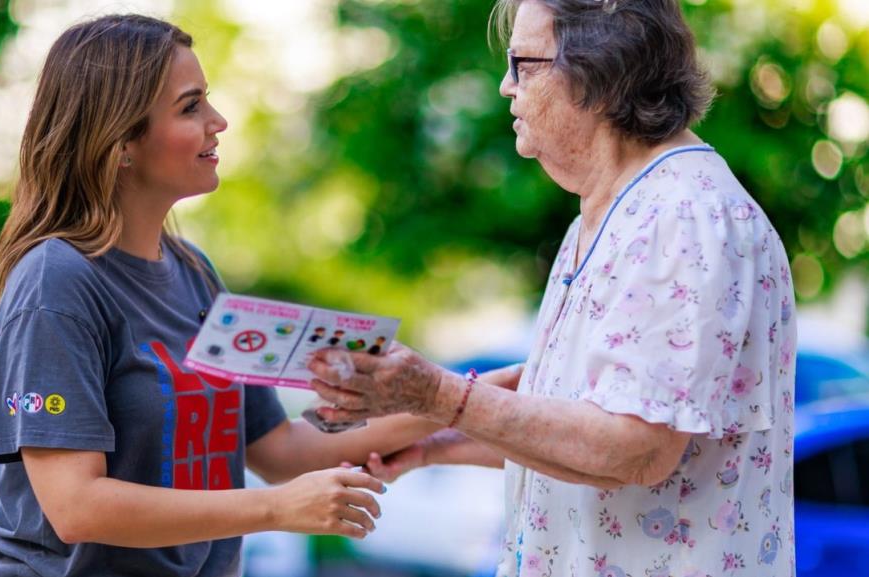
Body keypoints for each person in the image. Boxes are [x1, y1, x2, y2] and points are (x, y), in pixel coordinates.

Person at [0, 14, 485, 577]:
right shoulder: (57, 281)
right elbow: (77, 507)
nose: (219, 122)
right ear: (120, 143)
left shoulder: (194, 273)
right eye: (191, 107)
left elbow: (283, 450)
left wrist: (469, 399)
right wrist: (276, 510)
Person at [308, 1, 796, 577]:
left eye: (523, 63)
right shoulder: (612, 210)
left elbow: (634, 448)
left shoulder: (682, 216)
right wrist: (439, 446)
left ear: (603, 71)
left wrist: (439, 397)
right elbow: (586, 428)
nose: (505, 86)